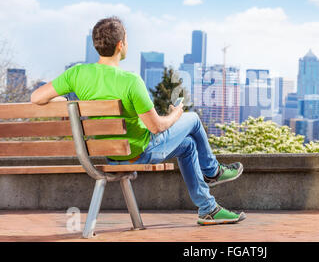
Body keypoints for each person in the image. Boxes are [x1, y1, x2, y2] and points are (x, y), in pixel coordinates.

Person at [30, 16, 246, 225]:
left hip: (112, 154)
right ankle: (213, 171)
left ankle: (208, 208)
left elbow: (36, 97)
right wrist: (175, 114)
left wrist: (68, 101)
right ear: (120, 45)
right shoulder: (131, 81)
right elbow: (157, 127)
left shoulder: (76, 74)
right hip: (139, 152)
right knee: (193, 119)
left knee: (188, 146)